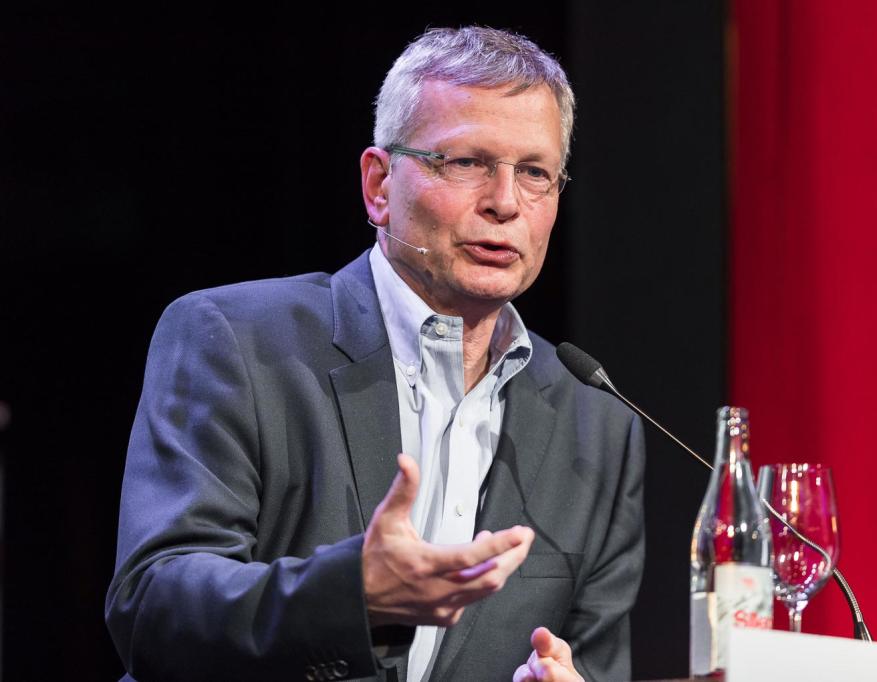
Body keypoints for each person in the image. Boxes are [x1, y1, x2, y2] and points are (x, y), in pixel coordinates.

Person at [106, 26, 645, 682]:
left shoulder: (598, 427)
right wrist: (352, 595)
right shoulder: (238, 343)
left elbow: (594, 663)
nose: (505, 203)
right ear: (379, 184)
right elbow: (153, 605)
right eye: (466, 162)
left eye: (534, 173)